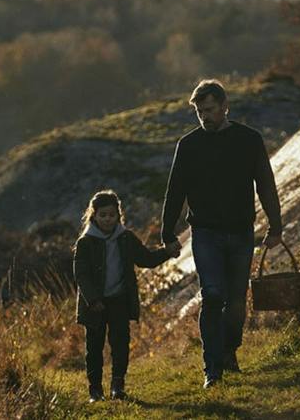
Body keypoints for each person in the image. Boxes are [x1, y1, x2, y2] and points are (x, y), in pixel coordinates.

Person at [160, 79, 283, 388]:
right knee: (212, 295)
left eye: (210, 110)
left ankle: (230, 351)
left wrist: (276, 226)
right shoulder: (188, 145)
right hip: (205, 234)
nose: (205, 117)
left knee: (237, 301)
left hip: (242, 232)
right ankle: (211, 368)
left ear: (225, 106)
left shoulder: (249, 140)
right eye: (200, 112)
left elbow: (266, 185)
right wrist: (167, 232)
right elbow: (175, 191)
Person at [74, 190, 180, 402]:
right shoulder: (86, 242)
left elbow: (146, 259)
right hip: (94, 304)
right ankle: (95, 391)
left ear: (118, 215)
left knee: (120, 344)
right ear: (93, 216)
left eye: (111, 215)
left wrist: (167, 252)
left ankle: (117, 386)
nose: (107, 219)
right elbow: (81, 275)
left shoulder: (126, 238)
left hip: (119, 300)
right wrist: (93, 300)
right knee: (94, 348)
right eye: (103, 215)